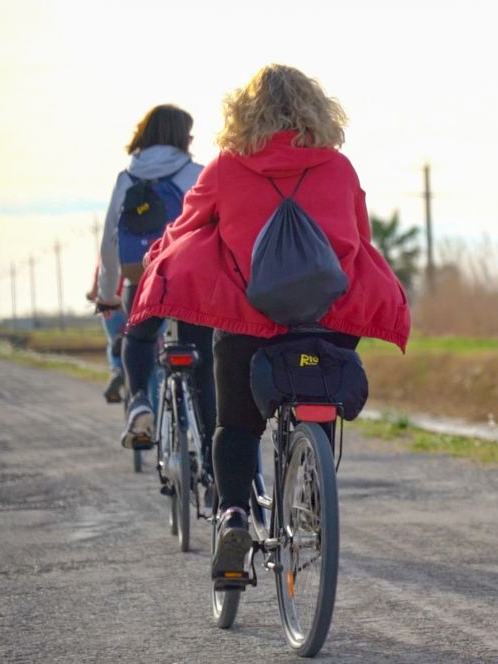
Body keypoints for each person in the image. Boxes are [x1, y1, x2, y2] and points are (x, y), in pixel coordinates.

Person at [129, 64, 410, 580]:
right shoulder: (340, 169)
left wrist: (156, 258)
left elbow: (185, 229)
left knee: (235, 426)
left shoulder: (225, 169)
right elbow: (359, 241)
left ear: (246, 112)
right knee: (317, 394)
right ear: (316, 110)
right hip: (327, 321)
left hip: (248, 324)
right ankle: (313, 491)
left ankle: (235, 514)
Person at [94, 105, 206, 448]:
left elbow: (111, 241)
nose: (191, 139)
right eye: (188, 133)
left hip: (142, 280)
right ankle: (211, 440)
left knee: (139, 337)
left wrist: (108, 292)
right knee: (205, 358)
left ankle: (140, 398)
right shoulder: (197, 173)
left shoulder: (127, 178)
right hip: (192, 282)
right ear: (178, 137)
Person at [85, 266, 125, 403]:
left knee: (114, 343)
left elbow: (97, 284)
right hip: (137, 303)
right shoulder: (145, 246)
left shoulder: (108, 251)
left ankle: (117, 369)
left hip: (111, 307)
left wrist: (91, 295)